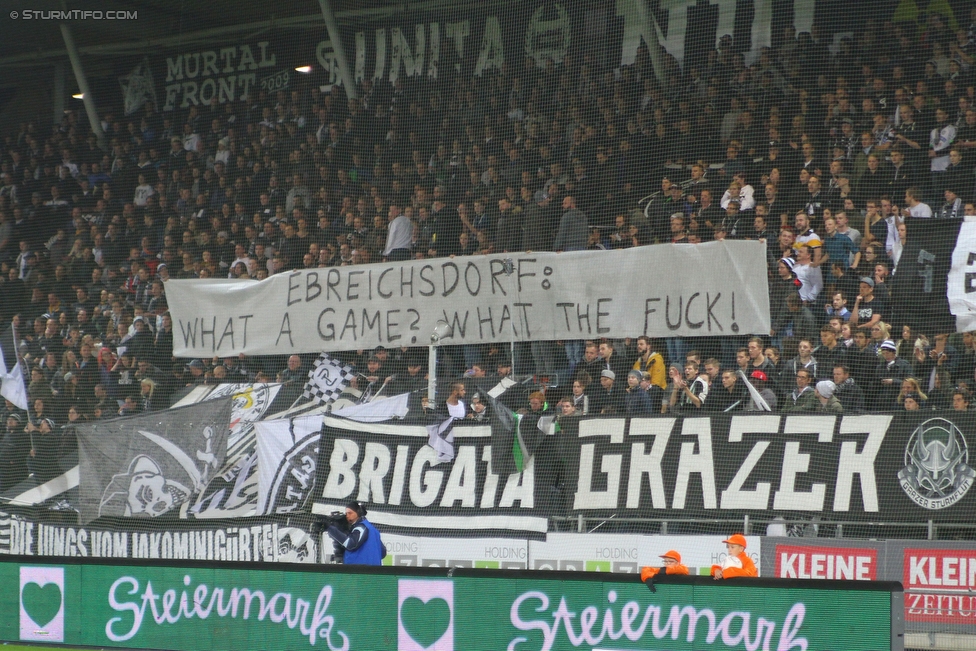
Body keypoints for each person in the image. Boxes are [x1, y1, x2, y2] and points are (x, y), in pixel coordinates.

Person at [326, 500, 386, 566]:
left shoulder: (361, 527)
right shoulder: (373, 529)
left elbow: (351, 544)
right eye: (346, 513)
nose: (347, 516)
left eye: (350, 513)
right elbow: (383, 553)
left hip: (358, 571)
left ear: (358, 513)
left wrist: (330, 528)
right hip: (374, 571)